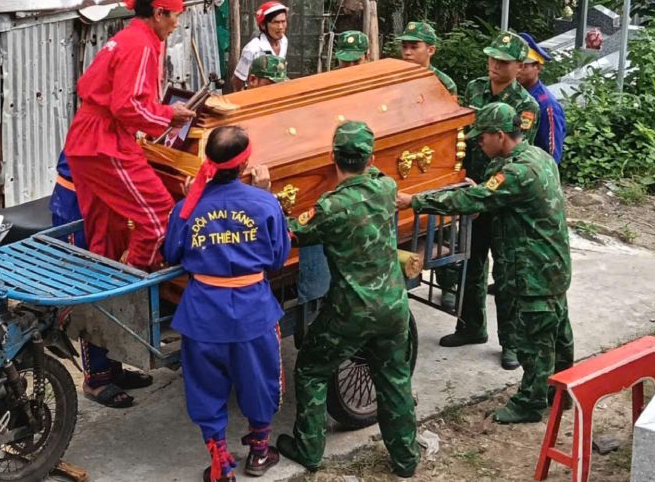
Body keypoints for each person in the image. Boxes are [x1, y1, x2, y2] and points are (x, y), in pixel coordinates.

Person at [63, 0, 196, 407]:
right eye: (175, 15)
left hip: (89, 141)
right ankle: (128, 293)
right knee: (160, 217)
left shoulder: (128, 38)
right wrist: (169, 115)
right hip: (106, 140)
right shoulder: (140, 43)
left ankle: (101, 373)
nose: (177, 23)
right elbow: (128, 107)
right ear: (159, 12)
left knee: (105, 244)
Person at [397, 102, 574, 424]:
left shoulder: (517, 171)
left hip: (532, 271)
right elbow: (495, 193)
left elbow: (473, 201)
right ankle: (560, 393)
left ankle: (531, 402)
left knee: (535, 340)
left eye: (483, 137)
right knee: (558, 333)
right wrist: (482, 190)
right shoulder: (536, 157)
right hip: (553, 266)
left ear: (501, 136)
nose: (479, 143)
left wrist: (415, 201)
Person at [276, 121, 420, 478]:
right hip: (393, 305)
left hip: (351, 311)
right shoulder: (386, 187)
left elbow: (289, 231)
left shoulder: (330, 207)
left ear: (331, 157)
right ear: (371, 158)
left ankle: (309, 450)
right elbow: (379, 174)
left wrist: (266, 193)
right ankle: (405, 460)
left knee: (311, 369)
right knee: (394, 378)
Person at [163, 125, 289, 482]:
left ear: (208, 161)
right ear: (246, 161)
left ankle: (221, 466)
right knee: (259, 382)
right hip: (253, 312)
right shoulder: (265, 203)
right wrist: (266, 195)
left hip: (203, 314)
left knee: (205, 387)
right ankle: (260, 455)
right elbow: (278, 257)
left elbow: (171, 252)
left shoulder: (187, 207)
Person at [450, 31, 541, 371]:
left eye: (502, 62)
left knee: (506, 273)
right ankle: (471, 326)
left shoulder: (526, 106)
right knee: (470, 264)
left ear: (519, 66)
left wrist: (484, 187)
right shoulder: (474, 88)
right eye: (491, 58)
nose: (494, 66)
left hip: (503, 197)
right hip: (471, 189)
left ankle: (511, 343)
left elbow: (511, 155)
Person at [49, 151, 152, 407]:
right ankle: (95, 380)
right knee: (91, 289)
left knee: (112, 285)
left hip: (106, 203)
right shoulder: (103, 118)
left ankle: (112, 369)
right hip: (80, 207)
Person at [517, 32, 567, 163]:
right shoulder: (512, 94)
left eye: (524, 66)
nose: (518, 70)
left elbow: (551, 155)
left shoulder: (546, 105)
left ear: (538, 67)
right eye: (516, 65)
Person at [233, 0, 289, 91]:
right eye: (276, 22)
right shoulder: (252, 49)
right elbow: (237, 80)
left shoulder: (284, 41)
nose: (281, 27)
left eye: (283, 21)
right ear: (263, 25)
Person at [396, 21, 458, 98]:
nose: (407, 52)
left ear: (430, 50)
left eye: (414, 47)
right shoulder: (392, 79)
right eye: (404, 47)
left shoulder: (443, 83)